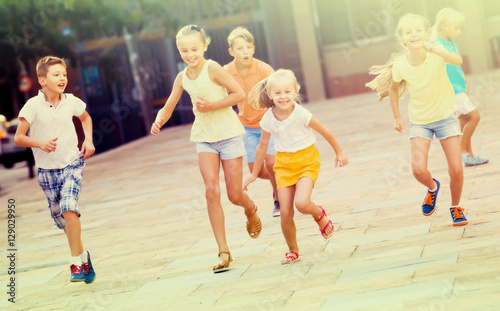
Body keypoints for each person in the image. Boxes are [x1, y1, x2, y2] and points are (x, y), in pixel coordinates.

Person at [151, 25, 262, 273]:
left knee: (234, 195)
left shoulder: (213, 68)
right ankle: (223, 251)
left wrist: (212, 106)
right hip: (204, 138)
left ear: (204, 46)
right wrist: (159, 120)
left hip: (230, 135)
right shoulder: (182, 77)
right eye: (184, 50)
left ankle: (250, 208)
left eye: (194, 49)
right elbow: (168, 106)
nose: (190, 54)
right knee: (211, 190)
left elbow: (239, 94)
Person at [366, 14, 468, 226]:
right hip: (420, 121)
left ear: (427, 33)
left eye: (418, 30)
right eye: (408, 32)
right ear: (402, 39)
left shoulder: (437, 54)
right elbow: (393, 89)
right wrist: (397, 116)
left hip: (446, 118)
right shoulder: (401, 66)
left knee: (456, 169)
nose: (414, 34)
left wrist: (435, 49)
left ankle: (456, 207)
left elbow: (458, 61)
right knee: (418, 170)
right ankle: (432, 188)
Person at [243, 69, 348, 264]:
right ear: (270, 94)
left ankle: (319, 214)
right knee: (285, 211)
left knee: (302, 203)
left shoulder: (302, 114)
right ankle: (293, 251)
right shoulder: (267, 118)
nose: (283, 97)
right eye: (277, 93)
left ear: (296, 91)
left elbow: (325, 131)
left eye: (287, 92)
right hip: (283, 165)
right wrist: (253, 174)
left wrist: (339, 151)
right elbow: (261, 147)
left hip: (307, 161)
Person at [14, 56, 96, 283]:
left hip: (72, 163)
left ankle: (74, 264)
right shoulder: (32, 105)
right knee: (64, 222)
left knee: (70, 209)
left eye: (64, 75)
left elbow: (86, 118)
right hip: (47, 172)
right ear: (42, 80)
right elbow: (20, 137)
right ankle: (83, 255)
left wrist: (88, 140)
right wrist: (40, 142)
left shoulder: (71, 101)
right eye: (56, 75)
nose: (62, 79)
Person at [223, 26, 280, 217]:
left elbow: (278, 89)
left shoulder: (264, 69)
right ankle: (279, 182)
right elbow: (219, 92)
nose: (245, 52)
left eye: (248, 47)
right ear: (231, 52)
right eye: (240, 48)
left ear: (253, 49)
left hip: (267, 124)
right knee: (257, 170)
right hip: (246, 126)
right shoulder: (226, 72)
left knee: (272, 164)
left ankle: (278, 199)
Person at [433, 8, 488, 167]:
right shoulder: (437, 46)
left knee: (465, 119)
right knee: (474, 117)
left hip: (459, 88)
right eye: (455, 27)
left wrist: (464, 80)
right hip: (452, 91)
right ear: (444, 27)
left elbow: (456, 65)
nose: (459, 31)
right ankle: (462, 151)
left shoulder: (451, 42)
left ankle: (469, 156)